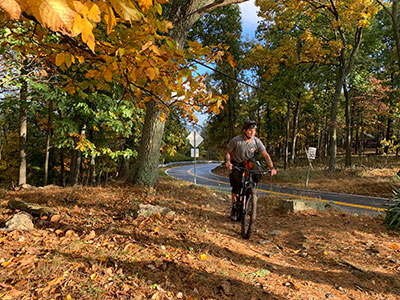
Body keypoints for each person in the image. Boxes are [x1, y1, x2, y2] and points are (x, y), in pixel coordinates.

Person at [225, 119, 277, 218]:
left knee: (258, 172)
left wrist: (272, 167)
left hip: (248, 162)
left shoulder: (256, 141)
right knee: (236, 184)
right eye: (250, 130)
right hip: (237, 163)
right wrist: (228, 162)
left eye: (254, 130)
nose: (252, 132)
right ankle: (234, 207)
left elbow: (266, 155)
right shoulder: (237, 140)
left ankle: (251, 191)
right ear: (244, 130)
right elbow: (227, 151)